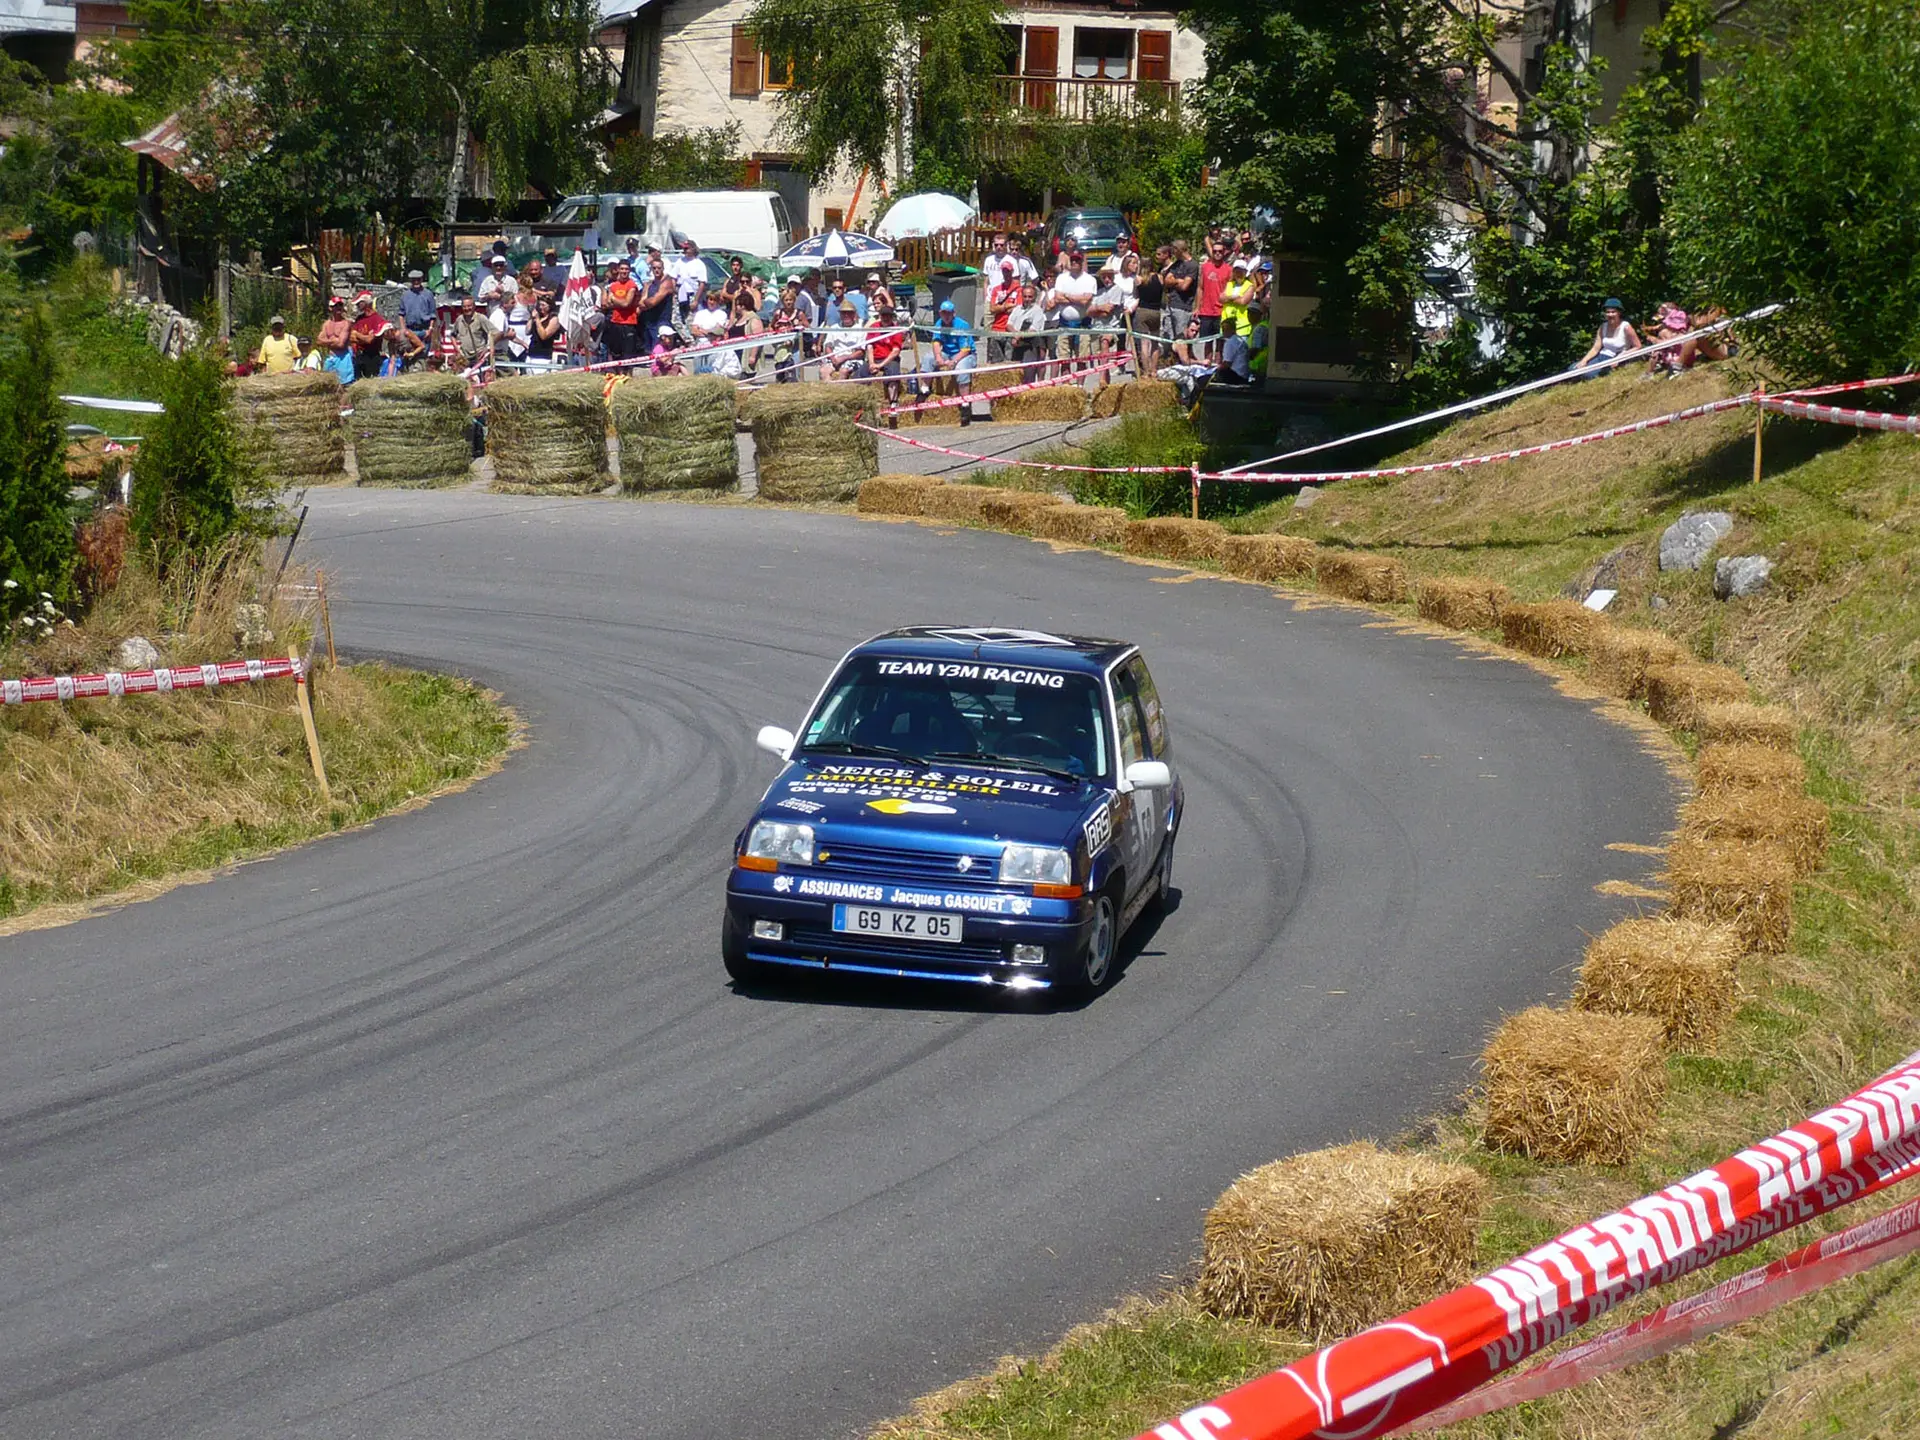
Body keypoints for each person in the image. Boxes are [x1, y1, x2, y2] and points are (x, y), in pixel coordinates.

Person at [926, 298, 976, 425]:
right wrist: (938, 357)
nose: (946, 316)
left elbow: (965, 349)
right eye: (944, 313)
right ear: (940, 313)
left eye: (949, 313)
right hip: (947, 352)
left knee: (962, 369)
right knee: (928, 358)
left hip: (965, 353)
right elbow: (936, 342)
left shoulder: (962, 325)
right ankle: (924, 389)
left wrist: (953, 361)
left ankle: (965, 404)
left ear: (954, 313)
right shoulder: (939, 324)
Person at [1047, 249, 1098, 368]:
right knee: (1064, 359)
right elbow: (1058, 298)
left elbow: (1086, 301)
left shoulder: (1090, 279)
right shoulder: (1061, 278)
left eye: (1077, 260)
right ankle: (1066, 385)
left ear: (1082, 262)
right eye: (1072, 260)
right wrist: (1078, 299)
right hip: (1064, 324)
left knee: (1082, 359)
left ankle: (1079, 386)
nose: (1074, 262)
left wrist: (1067, 295)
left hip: (1083, 324)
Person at [866, 303, 907, 424]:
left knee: (893, 375)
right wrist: (872, 363)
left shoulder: (896, 329)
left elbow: (895, 351)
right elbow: (869, 346)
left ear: (892, 317)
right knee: (859, 375)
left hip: (890, 358)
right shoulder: (874, 327)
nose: (886, 318)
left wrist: (880, 365)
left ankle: (893, 403)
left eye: (888, 316)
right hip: (875, 358)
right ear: (880, 316)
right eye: (884, 315)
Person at [1577, 298, 1642, 372]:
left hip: (1616, 358)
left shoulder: (1626, 327)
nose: (1610, 315)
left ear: (1619, 313)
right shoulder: (1603, 326)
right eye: (1608, 312)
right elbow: (1595, 348)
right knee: (1574, 368)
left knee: (1588, 374)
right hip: (1601, 357)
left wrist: (1620, 357)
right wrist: (1584, 360)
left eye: (1613, 312)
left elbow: (1638, 346)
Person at [600, 258, 642, 365]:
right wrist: (617, 301)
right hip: (615, 321)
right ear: (618, 269)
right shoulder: (614, 285)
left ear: (629, 271)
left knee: (628, 355)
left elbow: (626, 303)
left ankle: (628, 376)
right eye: (622, 269)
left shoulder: (631, 285)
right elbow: (607, 304)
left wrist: (614, 299)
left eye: (626, 269)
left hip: (629, 323)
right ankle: (617, 375)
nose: (624, 271)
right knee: (615, 354)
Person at [1160, 240, 1198, 351]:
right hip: (1170, 305)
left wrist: (1175, 282)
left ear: (1179, 250)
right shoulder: (1176, 264)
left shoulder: (1192, 265)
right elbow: (1166, 281)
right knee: (1168, 338)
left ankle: (1184, 363)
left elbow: (1185, 286)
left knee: (1181, 340)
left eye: (1173, 250)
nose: (1172, 253)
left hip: (1183, 307)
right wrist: (1178, 281)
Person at [1009, 280, 1049, 381]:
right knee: (1015, 375)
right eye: (1025, 296)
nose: (1027, 299)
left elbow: (1033, 330)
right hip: (1015, 345)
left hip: (1030, 346)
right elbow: (1009, 324)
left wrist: (1018, 336)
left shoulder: (1037, 311)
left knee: (1028, 375)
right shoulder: (1017, 309)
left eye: (1030, 297)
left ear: (1034, 298)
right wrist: (1015, 333)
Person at [348, 291, 391, 380]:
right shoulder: (359, 319)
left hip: (372, 356)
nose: (357, 305)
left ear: (366, 303)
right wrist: (362, 338)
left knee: (371, 382)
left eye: (359, 303)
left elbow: (370, 340)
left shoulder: (377, 319)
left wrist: (357, 335)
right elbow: (351, 337)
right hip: (359, 356)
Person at [985, 259, 1021, 363]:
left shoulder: (1018, 289)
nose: (1006, 273)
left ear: (1012, 271)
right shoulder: (997, 289)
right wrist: (1006, 306)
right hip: (997, 328)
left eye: (1008, 271)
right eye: (1004, 271)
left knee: (1009, 361)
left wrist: (999, 308)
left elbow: (1017, 309)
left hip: (1010, 329)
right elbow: (992, 309)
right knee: (996, 361)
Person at [765, 290, 806, 382]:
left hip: (795, 347)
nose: (788, 302)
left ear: (794, 300)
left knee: (796, 372)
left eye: (790, 300)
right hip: (782, 346)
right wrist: (774, 337)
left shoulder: (799, 313)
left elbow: (807, 327)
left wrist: (800, 325)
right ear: (782, 301)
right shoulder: (778, 313)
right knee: (781, 370)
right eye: (786, 300)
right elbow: (771, 326)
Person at [447, 293, 494, 370]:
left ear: (474, 306)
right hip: (465, 358)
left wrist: (487, 348)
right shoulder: (459, 319)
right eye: (464, 306)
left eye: (469, 306)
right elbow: (453, 335)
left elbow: (495, 333)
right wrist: (458, 350)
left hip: (479, 357)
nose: (467, 308)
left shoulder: (481, 318)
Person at [1196, 240, 1232, 340]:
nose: (1217, 253)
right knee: (1206, 341)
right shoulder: (1205, 267)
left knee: (1221, 342)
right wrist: (1197, 307)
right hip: (1206, 311)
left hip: (1221, 311)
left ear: (1224, 252)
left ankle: (1219, 356)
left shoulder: (1229, 269)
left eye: (1220, 251)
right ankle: (1207, 357)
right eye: (1215, 251)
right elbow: (1200, 288)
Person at [688, 289, 731, 372]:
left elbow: (717, 331)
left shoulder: (721, 314)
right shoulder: (700, 313)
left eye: (714, 300)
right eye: (710, 299)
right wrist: (708, 332)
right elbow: (693, 330)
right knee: (698, 369)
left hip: (713, 346)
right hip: (700, 345)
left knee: (711, 369)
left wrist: (702, 330)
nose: (712, 302)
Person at [671, 237, 708, 327]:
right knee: (675, 320)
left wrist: (696, 300)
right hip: (679, 293)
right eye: (684, 248)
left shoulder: (699, 264)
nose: (685, 250)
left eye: (687, 248)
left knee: (691, 321)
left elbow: (702, 283)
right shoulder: (679, 261)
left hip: (692, 294)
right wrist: (674, 292)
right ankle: (687, 339)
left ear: (693, 249)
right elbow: (673, 277)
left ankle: (692, 339)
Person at [637, 254, 674, 342]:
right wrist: (648, 302)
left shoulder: (666, 283)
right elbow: (641, 303)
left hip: (662, 322)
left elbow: (653, 302)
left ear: (663, 269)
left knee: (660, 350)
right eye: (654, 268)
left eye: (659, 268)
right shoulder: (649, 284)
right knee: (648, 351)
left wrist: (647, 301)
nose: (656, 270)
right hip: (649, 322)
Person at [1220, 258, 1258, 344]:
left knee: (1240, 354)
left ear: (1245, 272)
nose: (1239, 274)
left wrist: (1228, 298)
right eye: (1237, 271)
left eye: (1241, 271)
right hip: (1227, 326)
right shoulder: (1229, 284)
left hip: (1241, 328)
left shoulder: (1249, 286)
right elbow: (1221, 299)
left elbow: (1243, 301)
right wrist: (1235, 297)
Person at [1214, 314, 1254, 385]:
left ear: (1233, 329)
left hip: (1236, 376)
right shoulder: (1240, 340)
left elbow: (1227, 363)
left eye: (1226, 329)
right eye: (1223, 329)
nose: (1224, 332)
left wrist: (1216, 369)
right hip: (1244, 375)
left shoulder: (1230, 342)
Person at [399, 270, 437, 342]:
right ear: (410, 280)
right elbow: (401, 314)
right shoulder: (405, 295)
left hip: (424, 330)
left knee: (424, 352)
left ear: (421, 280)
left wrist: (430, 329)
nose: (416, 282)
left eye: (418, 280)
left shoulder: (428, 294)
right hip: (410, 330)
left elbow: (433, 314)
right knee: (411, 353)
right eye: (414, 280)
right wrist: (403, 329)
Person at [528, 293, 562, 362]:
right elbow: (527, 331)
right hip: (532, 353)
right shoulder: (539, 317)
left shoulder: (554, 319)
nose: (540, 307)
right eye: (539, 305)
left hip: (543, 355)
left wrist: (537, 320)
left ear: (549, 306)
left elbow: (544, 336)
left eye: (543, 305)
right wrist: (531, 317)